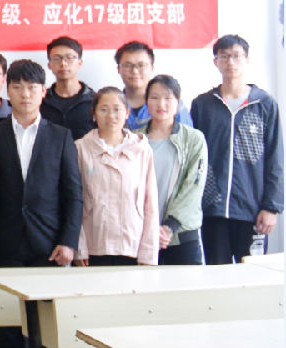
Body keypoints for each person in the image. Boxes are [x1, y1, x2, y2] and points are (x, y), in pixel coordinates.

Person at [0, 60, 81, 348]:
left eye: (32, 88)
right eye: (18, 87)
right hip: (4, 245)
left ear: (43, 92)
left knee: (45, 328)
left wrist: (68, 241)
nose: (25, 94)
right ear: (7, 91)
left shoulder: (61, 136)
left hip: (48, 246)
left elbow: (73, 193)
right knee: (8, 327)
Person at [191, 34, 283, 264]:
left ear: (247, 59)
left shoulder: (264, 104)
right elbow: (193, 159)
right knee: (217, 275)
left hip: (252, 211)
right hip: (212, 210)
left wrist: (271, 207)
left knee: (252, 274)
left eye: (236, 56)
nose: (230, 62)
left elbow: (275, 158)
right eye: (224, 56)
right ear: (216, 61)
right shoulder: (203, 105)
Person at [74, 87, 159, 266]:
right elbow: (74, 201)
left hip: (132, 245)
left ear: (127, 113)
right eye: (104, 110)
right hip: (93, 245)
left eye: (117, 109)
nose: (111, 116)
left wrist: (149, 252)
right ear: (94, 114)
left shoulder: (142, 150)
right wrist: (79, 246)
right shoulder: (80, 148)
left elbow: (150, 203)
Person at [138, 75, 207, 265]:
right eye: (154, 97)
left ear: (178, 103)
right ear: (146, 102)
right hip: (142, 235)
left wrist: (169, 226)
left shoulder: (193, 139)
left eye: (168, 98)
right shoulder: (135, 139)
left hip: (181, 235)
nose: (161, 104)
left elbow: (194, 186)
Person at [115, 40, 192, 130]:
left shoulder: (172, 104)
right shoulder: (112, 105)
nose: (135, 71)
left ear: (152, 68)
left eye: (141, 65)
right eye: (128, 65)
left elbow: (188, 136)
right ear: (118, 69)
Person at [40, 36, 97, 139]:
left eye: (69, 57)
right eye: (57, 58)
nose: (63, 63)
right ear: (49, 65)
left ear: (80, 63)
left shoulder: (95, 101)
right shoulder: (41, 100)